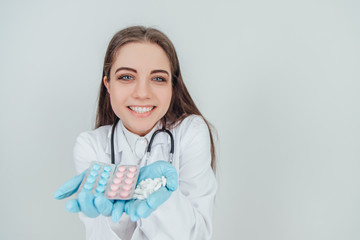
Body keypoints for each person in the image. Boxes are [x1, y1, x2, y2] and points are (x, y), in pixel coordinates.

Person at [54, 25, 217, 240]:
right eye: (126, 77)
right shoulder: (90, 146)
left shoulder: (191, 133)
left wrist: (159, 193)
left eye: (158, 78)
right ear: (108, 85)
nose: (142, 93)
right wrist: (118, 210)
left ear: (172, 86)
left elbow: (199, 235)